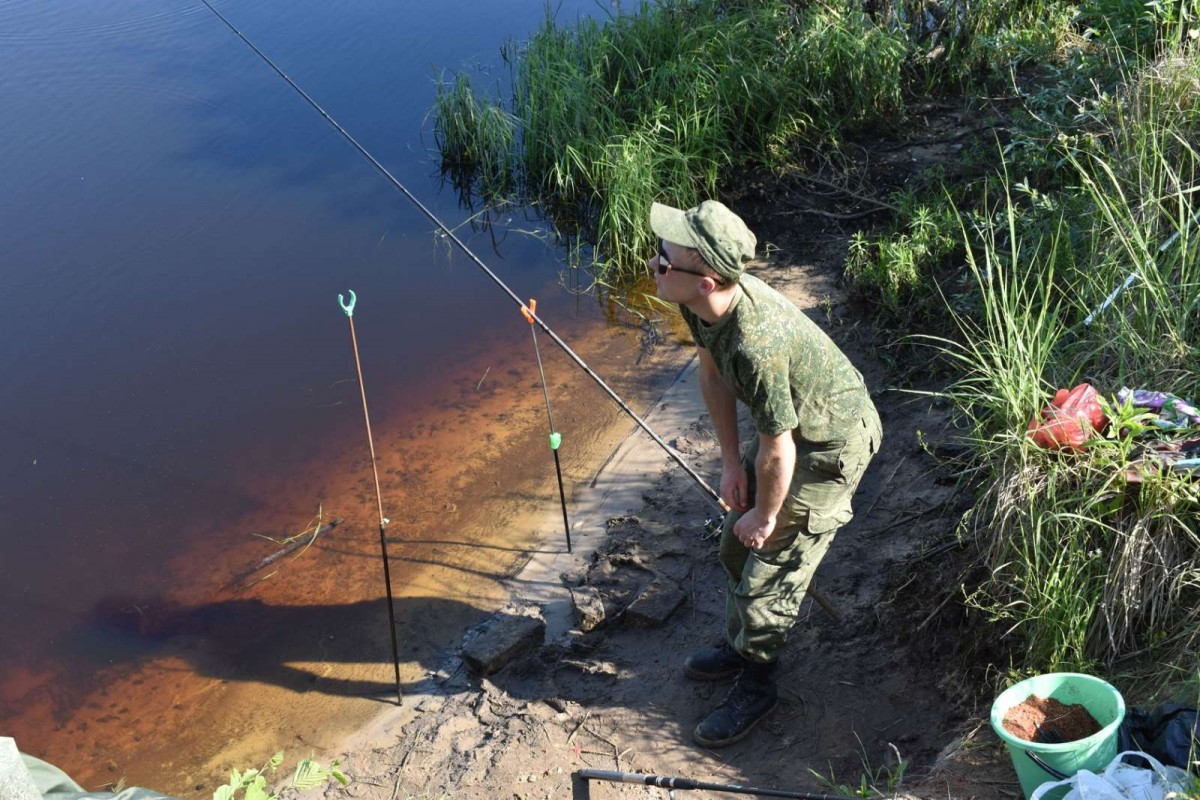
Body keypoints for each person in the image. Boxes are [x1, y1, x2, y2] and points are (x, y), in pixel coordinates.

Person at [649, 200, 882, 748]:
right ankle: (740, 647)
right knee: (735, 546)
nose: (654, 264)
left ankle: (758, 685)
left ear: (706, 279)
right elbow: (711, 373)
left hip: (829, 445)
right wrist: (731, 464)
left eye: (665, 259)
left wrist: (767, 513)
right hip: (790, 434)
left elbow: (779, 450)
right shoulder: (701, 306)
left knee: (770, 569)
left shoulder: (757, 343)